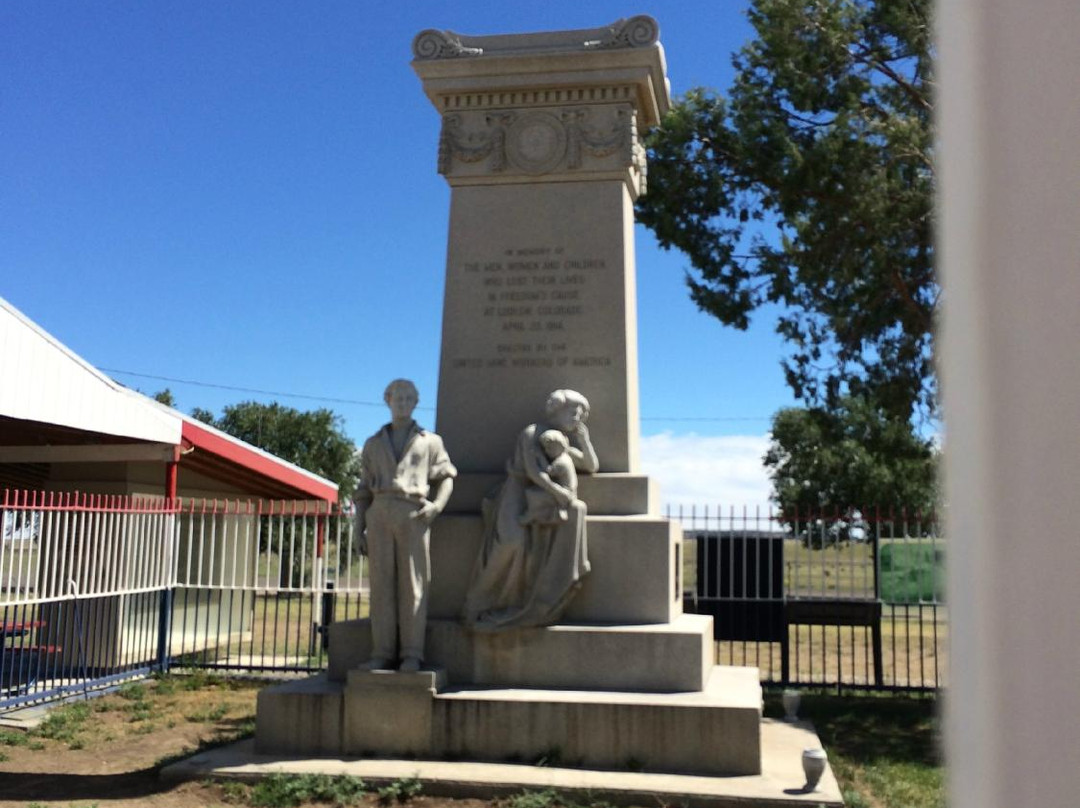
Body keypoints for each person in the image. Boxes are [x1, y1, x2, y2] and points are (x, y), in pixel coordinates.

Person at [463, 389, 598, 631]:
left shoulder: (561, 442)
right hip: (517, 492)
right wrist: (559, 493)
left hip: (543, 500)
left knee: (530, 551)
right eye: (573, 412)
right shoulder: (533, 433)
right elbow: (533, 472)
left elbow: (590, 466)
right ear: (556, 409)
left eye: (581, 414)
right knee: (509, 544)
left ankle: (524, 603)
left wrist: (584, 440)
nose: (577, 418)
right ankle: (476, 604)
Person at [354, 379, 456, 672]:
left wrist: (437, 506)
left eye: (408, 398)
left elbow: (446, 475)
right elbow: (362, 490)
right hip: (380, 512)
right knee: (381, 588)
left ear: (416, 402)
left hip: (413, 512)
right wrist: (357, 526)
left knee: (414, 586)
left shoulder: (430, 441)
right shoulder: (373, 443)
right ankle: (382, 653)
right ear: (387, 400)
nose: (402, 402)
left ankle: (412, 653)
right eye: (398, 397)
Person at [519, 429, 578, 526]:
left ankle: (534, 514)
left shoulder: (562, 462)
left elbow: (548, 471)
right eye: (545, 449)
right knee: (534, 492)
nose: (546, 451)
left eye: (549, 448)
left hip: (565, 493)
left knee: (533, 494)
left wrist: (540, 456)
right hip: (566, 490)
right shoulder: (565, 458)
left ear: (559, 446)